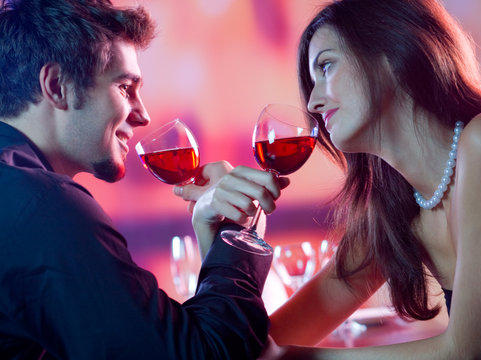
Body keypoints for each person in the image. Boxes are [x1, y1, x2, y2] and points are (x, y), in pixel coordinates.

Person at [176, 0, 481, 358]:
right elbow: (251, 347)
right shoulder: (395, 211)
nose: (312, 104)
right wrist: (221, 234)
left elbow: (465, 350)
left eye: (326, 66)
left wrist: (290, 358)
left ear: (390, 53)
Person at [0, 0, 283, 358]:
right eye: (124, 87)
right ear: (57, 86)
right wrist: (237, 233)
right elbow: (199, 354)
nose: (143, 114)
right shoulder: (44, 205)